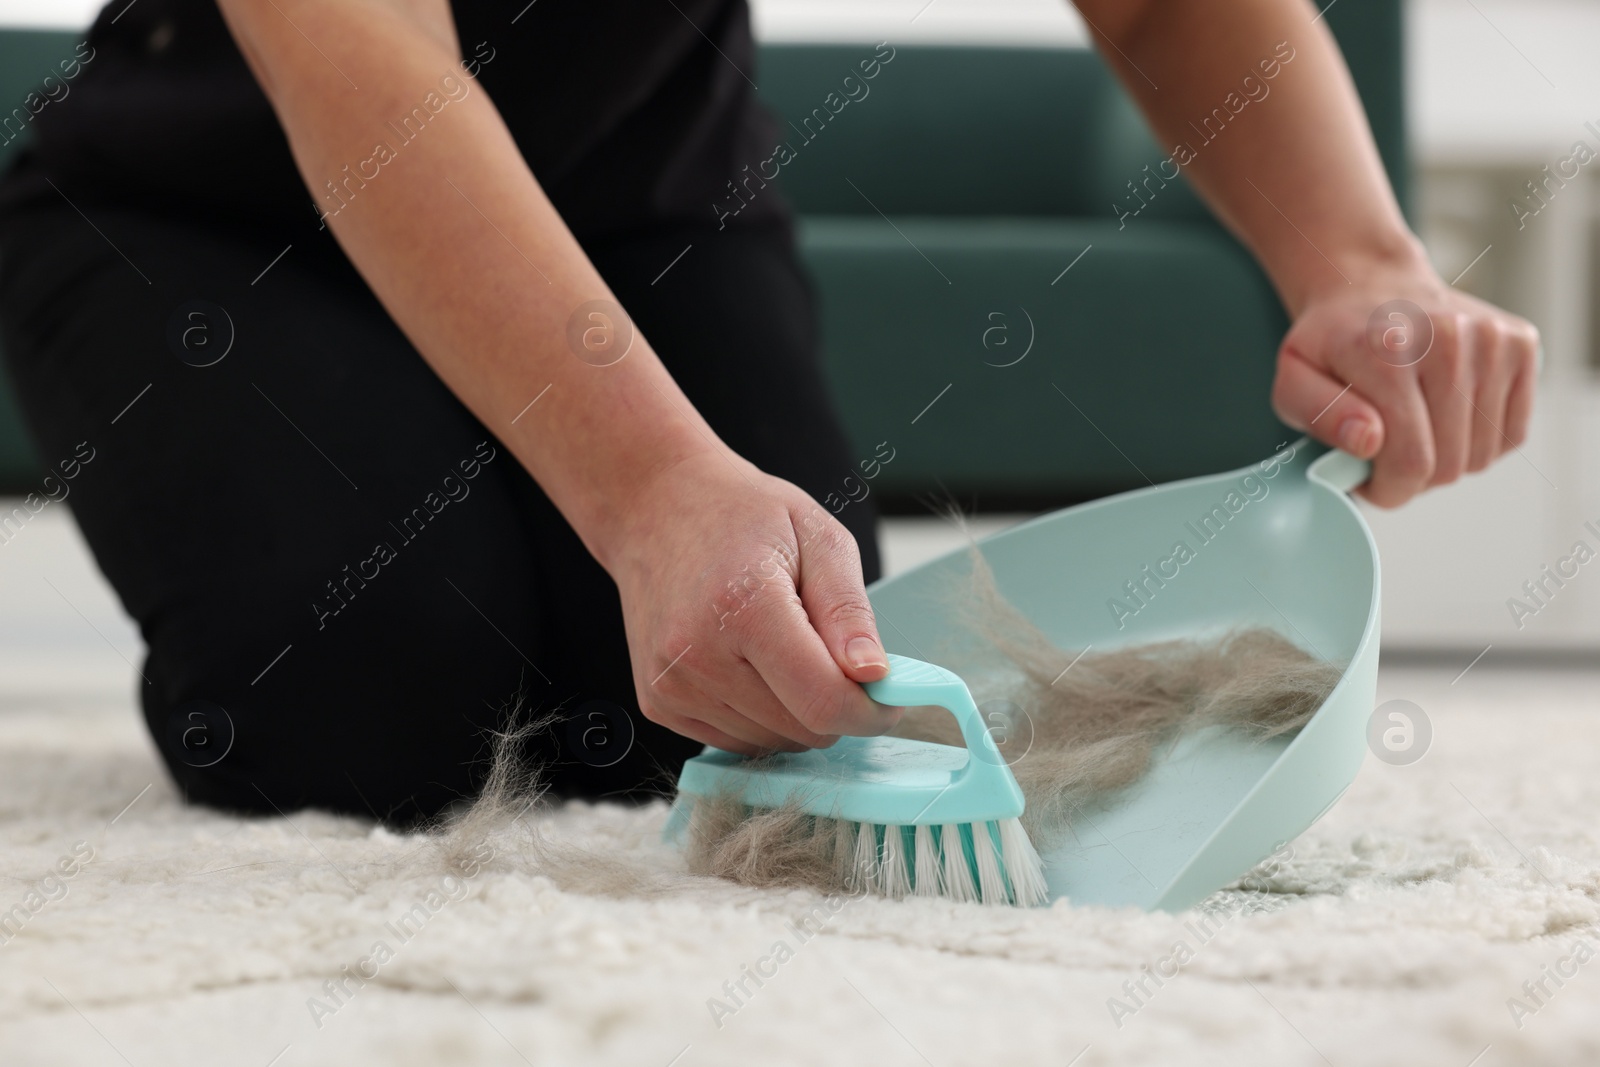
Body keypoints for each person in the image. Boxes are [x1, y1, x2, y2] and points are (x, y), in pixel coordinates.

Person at [0, 0, 1537, 825]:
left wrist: (1361, 259)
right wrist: (649, 486)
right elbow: (371, 66)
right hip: (208, 211)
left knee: (775, 693)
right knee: (387, 719)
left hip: (644, 197)